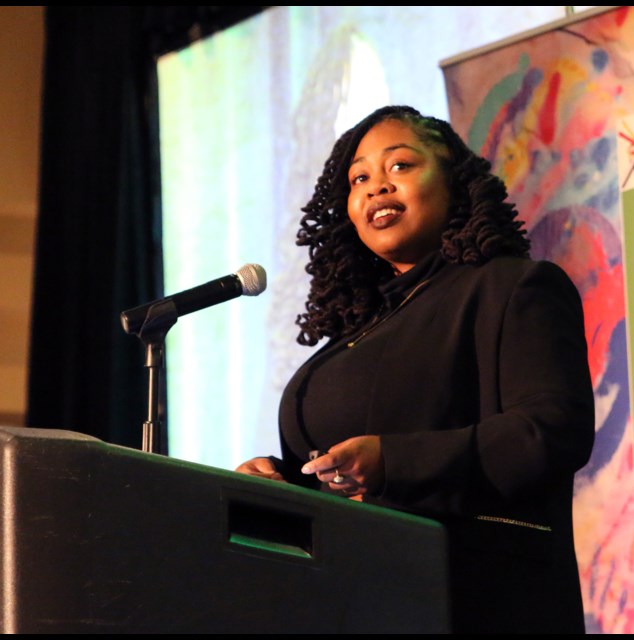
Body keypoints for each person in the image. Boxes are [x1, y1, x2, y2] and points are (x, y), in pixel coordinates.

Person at [235, 105, 595, 633]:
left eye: (399, 166)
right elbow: (345, 481)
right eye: (361, 178)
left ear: (452, 178)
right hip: (354, 603)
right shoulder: (353, 336)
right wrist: (282, 482)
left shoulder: (511, 288)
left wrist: (394, 462)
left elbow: (551, 432)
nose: (377, 188)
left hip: (476, 601)